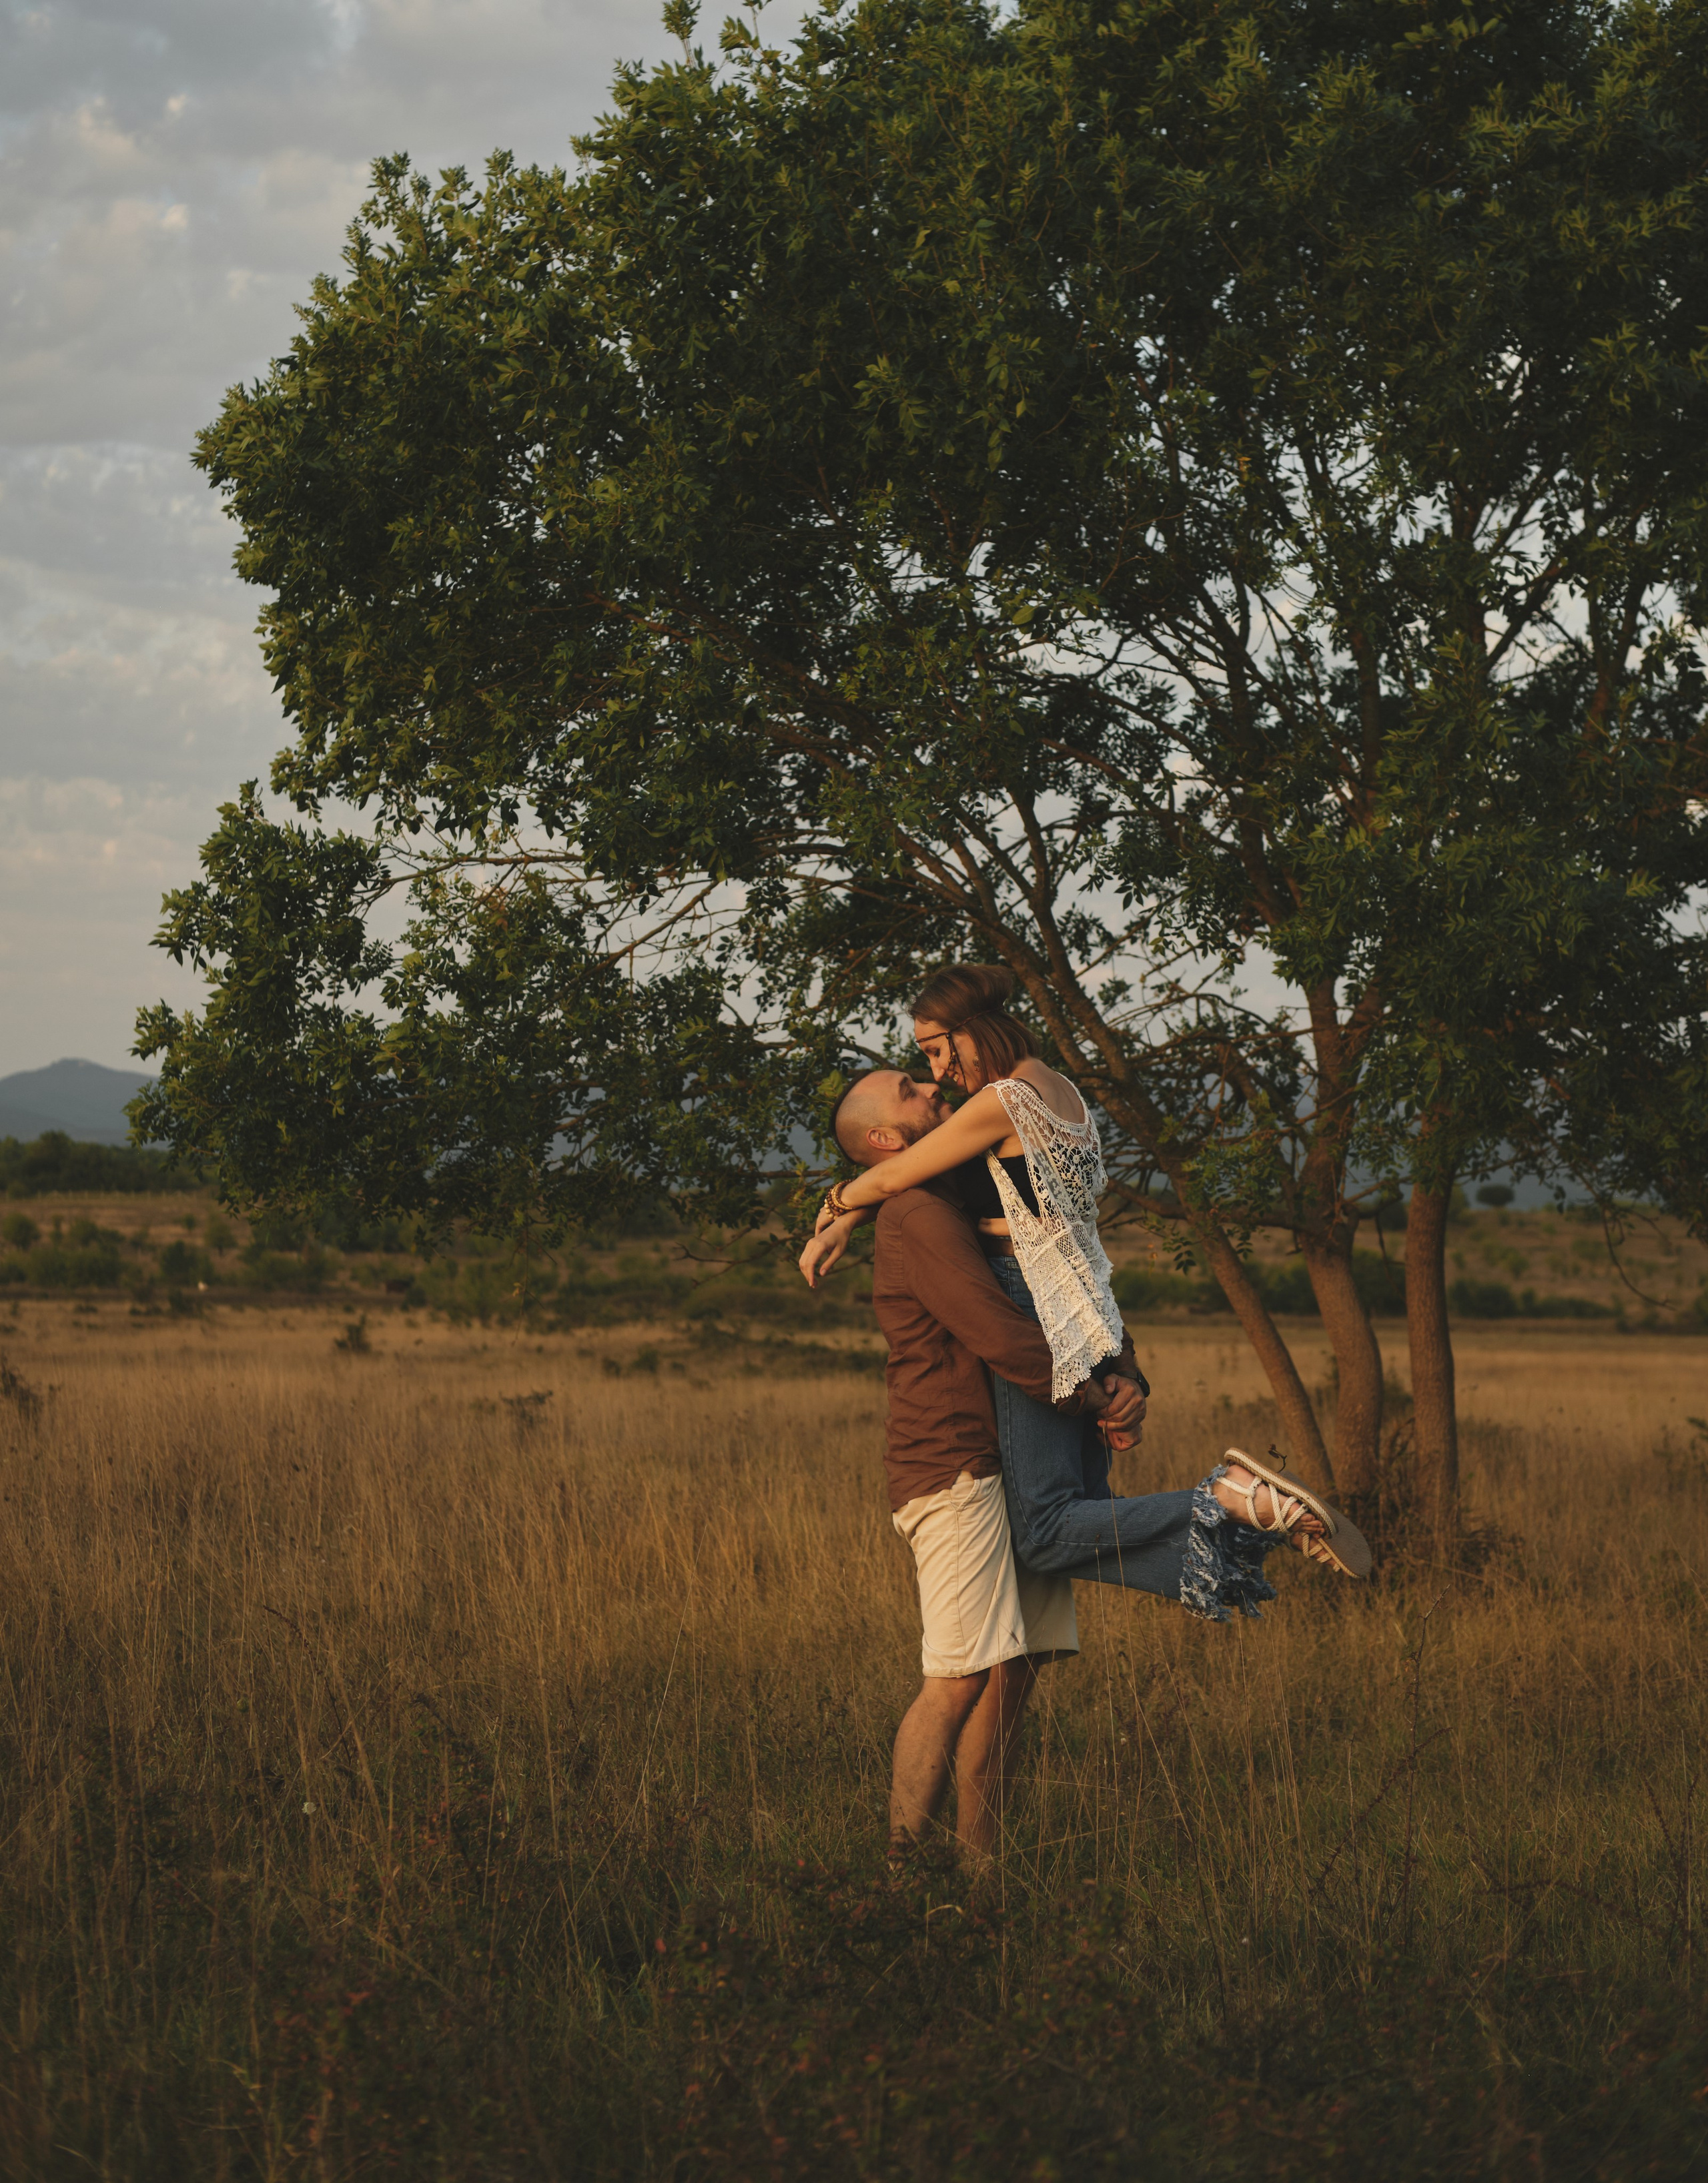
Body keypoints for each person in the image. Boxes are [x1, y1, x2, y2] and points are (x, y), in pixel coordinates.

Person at [803, 963, 1372, 1597]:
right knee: (1075, 1527)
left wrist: (833, 1213)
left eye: (936, 1051)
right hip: (1079, 1304)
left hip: (1030, 1303)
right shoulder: (1062, 1093)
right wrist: (1117, 1361)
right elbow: (1072, 1244)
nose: (938, 1072)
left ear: (972, 1031)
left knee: (1045, 1532)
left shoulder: (1003, 1102)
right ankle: (1242, 1546)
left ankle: (1232, 1499)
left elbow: (889, 1175)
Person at [859, 1145, 1147, 1858]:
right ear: (883, 1143)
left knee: (1010, 1675)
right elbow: (998, 1328)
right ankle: (895, 1881)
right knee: (957, 1679)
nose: (929, 1086)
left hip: (1025, 1459)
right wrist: (1093, 1396)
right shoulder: (919, 1211)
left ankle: (982, 1877)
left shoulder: (975, 1188)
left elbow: (1068, 1280)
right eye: (910, 1084)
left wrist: (1124, 1371)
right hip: (959, 1463)